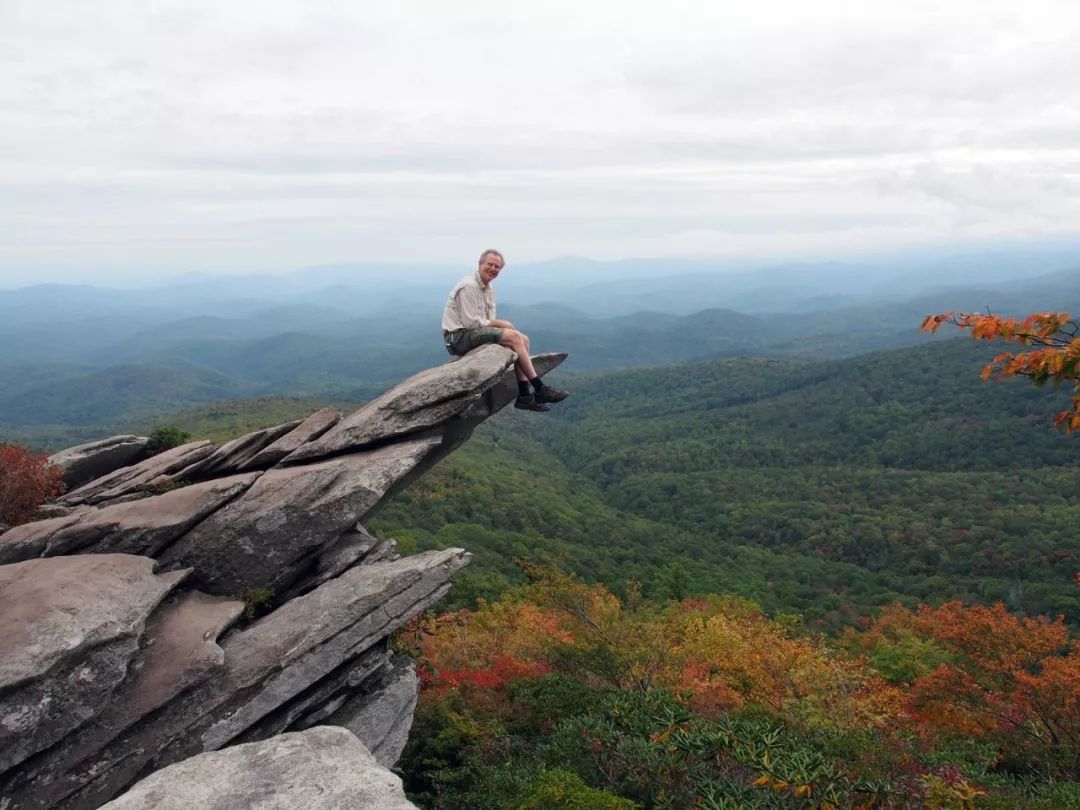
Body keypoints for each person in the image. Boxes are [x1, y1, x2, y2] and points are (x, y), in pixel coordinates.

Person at [442, 249, 569, 412]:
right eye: (490, 264)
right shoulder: (470, 285)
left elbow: (487, 320)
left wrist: (503, 328)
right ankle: (540, 388)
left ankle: (524, 396)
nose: (493, 269)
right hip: (457, 337)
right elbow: (470, 323)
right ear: (480, 264)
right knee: (514, 336)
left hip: (470, 333)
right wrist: (503, 324)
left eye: (497, 267)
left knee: (523, 339)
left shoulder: (488, 288)